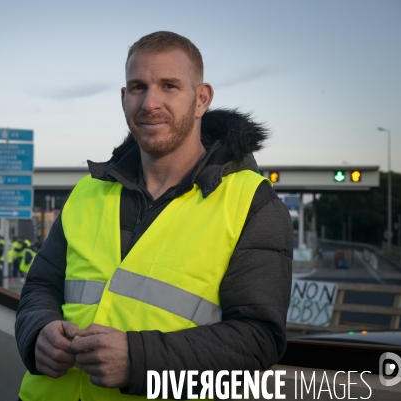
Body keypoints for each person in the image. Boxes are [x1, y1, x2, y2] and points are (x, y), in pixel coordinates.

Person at [15, 31, 293, 400]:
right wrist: (39, 332)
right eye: (137, 87)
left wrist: (139, 360)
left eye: (169, 86)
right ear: (123, 98)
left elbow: (258, 340)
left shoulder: (251, 203)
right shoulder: (88, 191)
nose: (150, 102)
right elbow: (40, 288)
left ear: (201, 99)